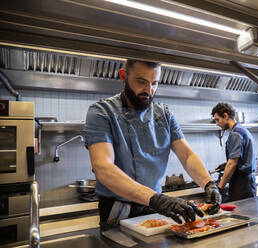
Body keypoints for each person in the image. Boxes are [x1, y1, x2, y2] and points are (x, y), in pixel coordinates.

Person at [84, 59, 221, 230]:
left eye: (154, 83)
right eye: (141, 82)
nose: (149, 91)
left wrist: (209, 184)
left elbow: (187, 156)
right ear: (123, 76)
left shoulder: (164, 115)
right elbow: (103, 168)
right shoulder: (101, 112)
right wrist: (157, 199)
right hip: (118, 211)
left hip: (156, 208)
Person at [211, 102, 257, 201]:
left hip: (241, 185)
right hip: (247, 183)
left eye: (217, 120)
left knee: (243, 214)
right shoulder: (242, 130)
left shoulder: (235, 133)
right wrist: (226, 164)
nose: (217, 123)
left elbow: (232, 163)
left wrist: (220, 187)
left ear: (226, 116)